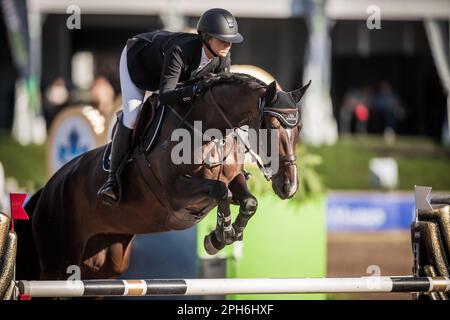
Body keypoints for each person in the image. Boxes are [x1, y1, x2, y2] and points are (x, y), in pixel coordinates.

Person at [98, 8, 244, 204]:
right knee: (133, 115)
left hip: (170, 74)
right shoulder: (180, 51)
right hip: (140, 64)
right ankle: (112, 180)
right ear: (207, 38)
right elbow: (166, 95)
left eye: (230, 41)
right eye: (223, 39)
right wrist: (196, 88)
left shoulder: (222, 57)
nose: (228, 45)